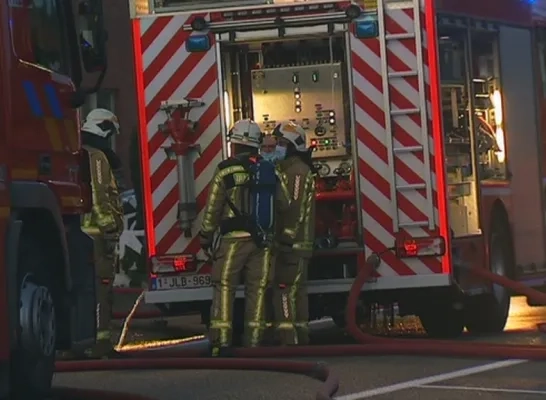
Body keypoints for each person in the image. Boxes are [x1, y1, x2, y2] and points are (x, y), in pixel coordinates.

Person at [199, 119, 291, 356]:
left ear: (235, 143)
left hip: (232, 241)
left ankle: (221, 342)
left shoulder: (225, 170)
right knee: (257, 290)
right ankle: (254, 342)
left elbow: (213, 208)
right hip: (263, 241)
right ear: (256, 144)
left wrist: (205, 237)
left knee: (224, 288)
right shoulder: (269, 169)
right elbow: (284, 203)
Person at [80, 108, 125, 358]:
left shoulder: (81, 153)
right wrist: (109, 228)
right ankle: (101, 343)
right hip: (97, 235)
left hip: (84, 234)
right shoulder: (96, 156)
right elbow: (99, 194)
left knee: (89, 289)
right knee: (102, 289)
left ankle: (90, 342)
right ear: (104, 129)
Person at [271, 121, 316, 346]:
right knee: (297, 292)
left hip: (293, 245)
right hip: (297, 245)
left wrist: (285, 238)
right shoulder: (289, 169)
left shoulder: (296, 173)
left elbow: (295, 208)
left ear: (291, 146)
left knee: (284, 291)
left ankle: (288, 339)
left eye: (280, 143)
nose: (276, 147)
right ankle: (300, 336)